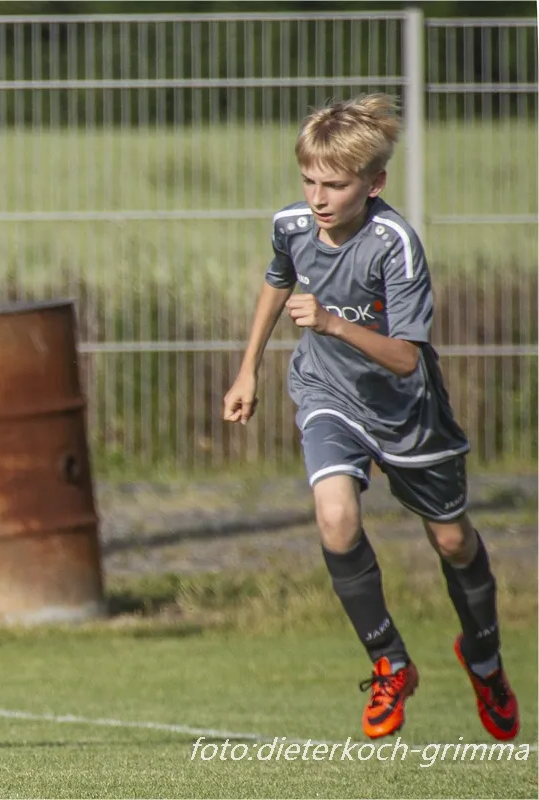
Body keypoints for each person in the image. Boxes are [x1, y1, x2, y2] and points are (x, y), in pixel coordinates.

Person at [222, 94, 520, 741]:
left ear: (374, 183)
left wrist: (331, 322)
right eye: (309, 180)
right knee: (335, 516)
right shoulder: (291, 225)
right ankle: (390, 662)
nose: (318, 198)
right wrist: (248, 369)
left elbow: (407, 359)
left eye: (334, 185)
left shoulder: (395, 246)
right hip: (327, 393)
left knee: (452, 541)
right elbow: (277, 279)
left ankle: (484, 658)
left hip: (407, 412)